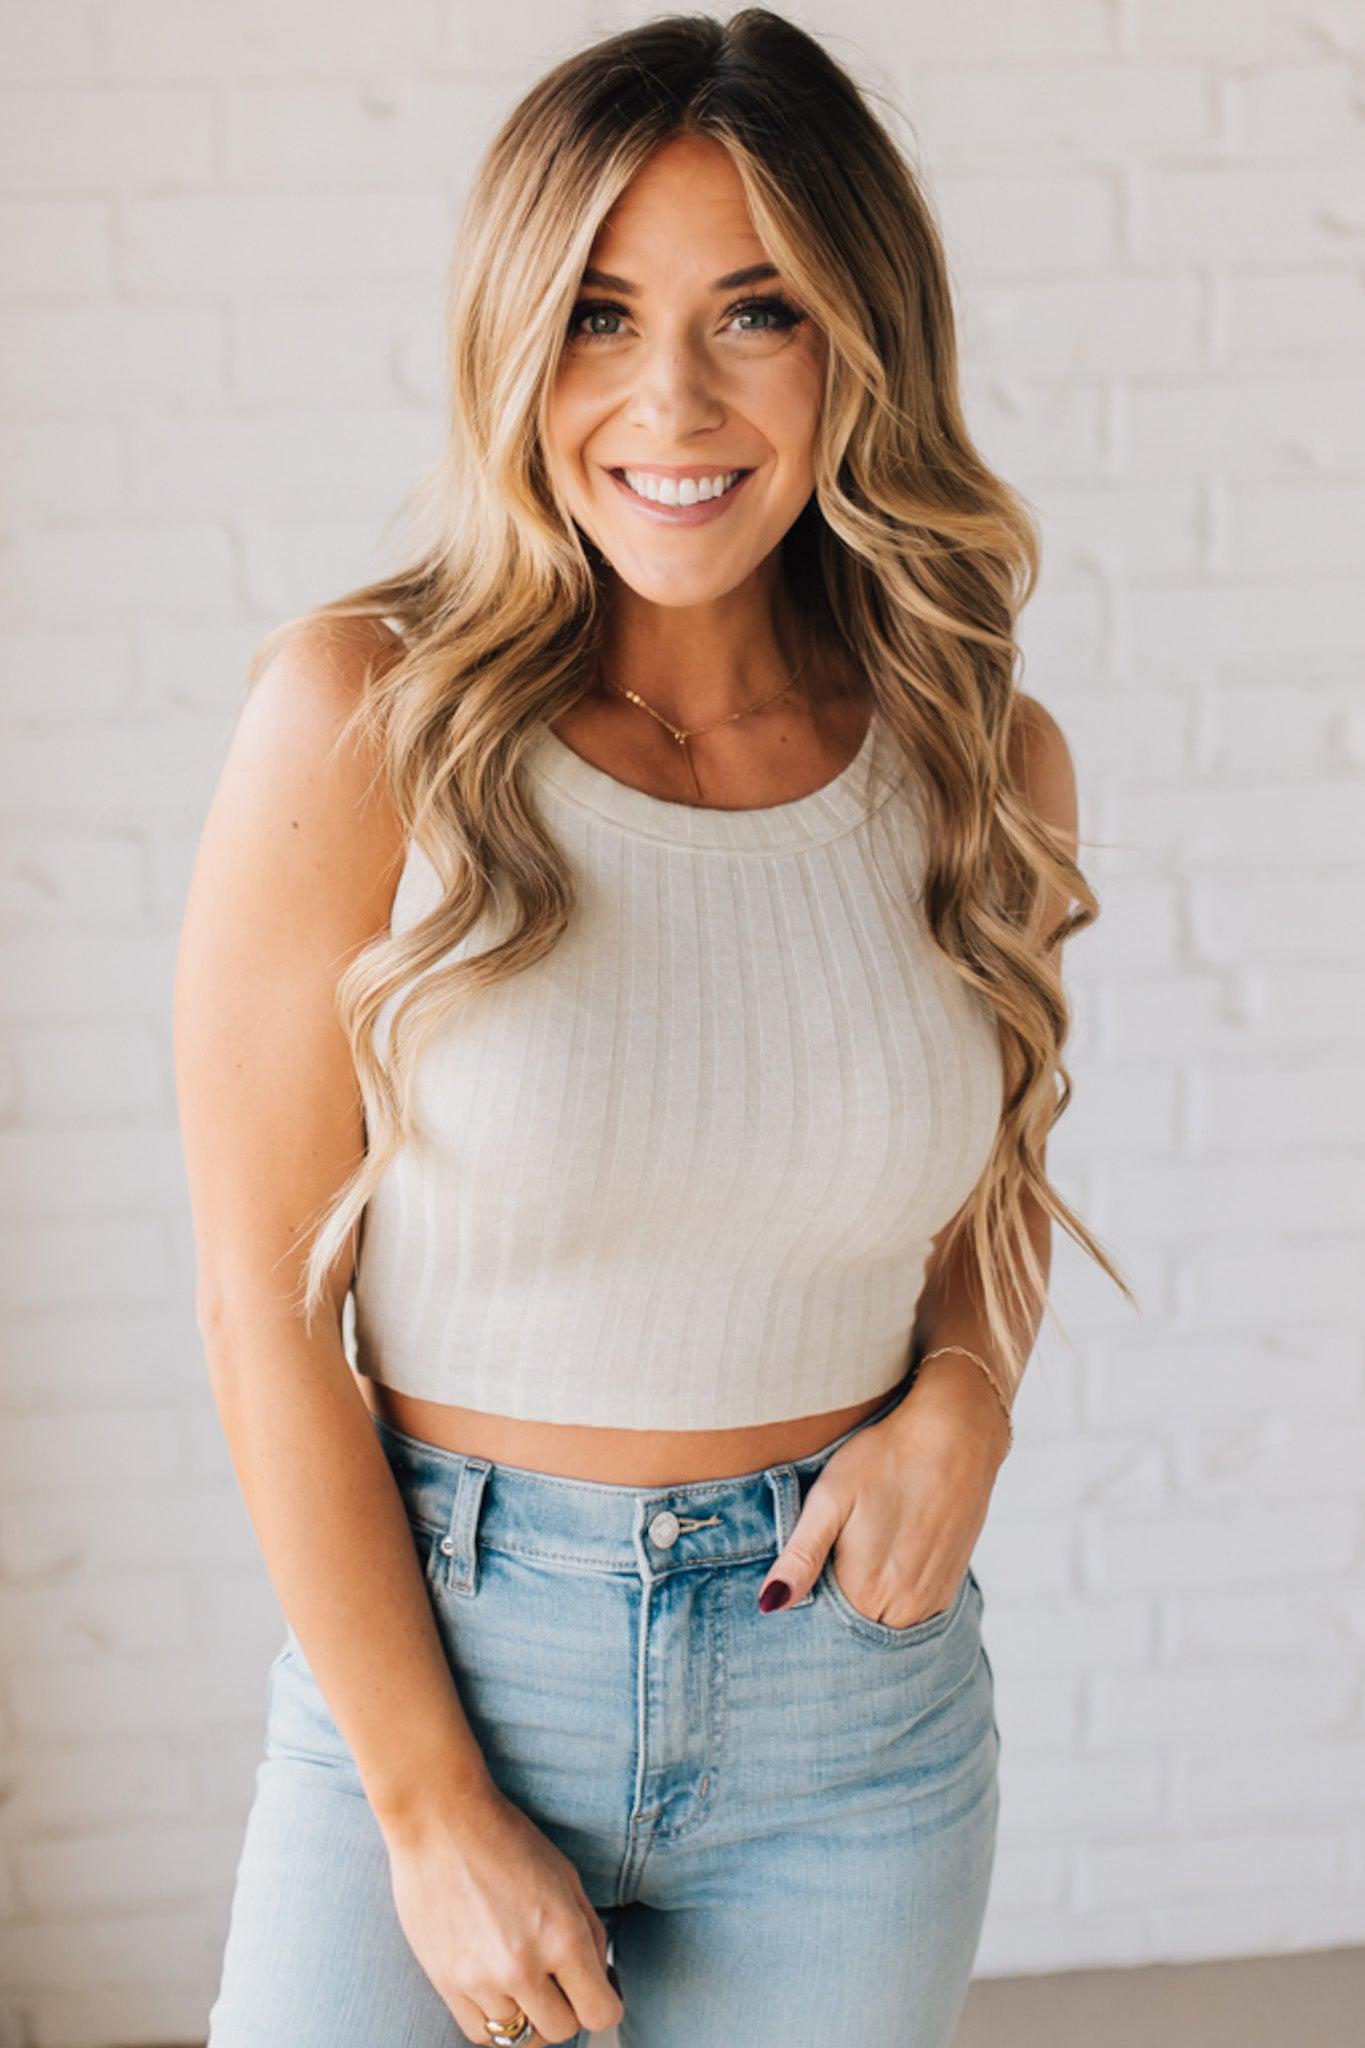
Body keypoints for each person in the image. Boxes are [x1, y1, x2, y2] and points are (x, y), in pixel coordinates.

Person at [176, 11, 1130, 2045]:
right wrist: (430, 1810)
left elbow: (995, 1179)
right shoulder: (360, 722)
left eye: (752, 314)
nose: (667, 400)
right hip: (435, 1679)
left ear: (855, 341)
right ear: (512, 340)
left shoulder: (978, 760)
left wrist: (962, 1387)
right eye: (598, 316)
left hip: (845, 1733)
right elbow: (263, 1309)